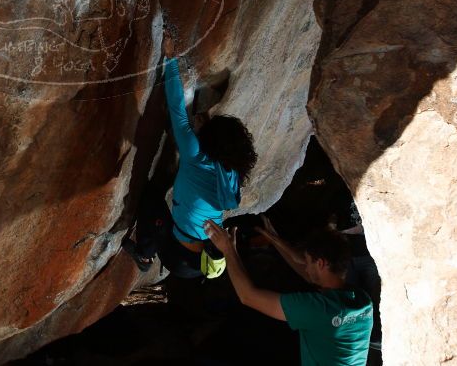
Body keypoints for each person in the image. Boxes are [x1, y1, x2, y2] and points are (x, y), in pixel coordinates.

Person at [123, 29, 257, 279]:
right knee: (167, 184)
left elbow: (177, 110)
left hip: (180, 258)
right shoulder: (232, 172)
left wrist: (170, 58)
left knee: (150, 197)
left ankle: (144, 254)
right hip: (203, 259)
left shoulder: (195, 155)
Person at [204, 216, 374, 365]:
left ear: (321, 263)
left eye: (308, 262)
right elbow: (309, 275)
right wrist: (276, 240)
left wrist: (228, 248)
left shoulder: (318, 309)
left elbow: (248, 296)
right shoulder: (361, 300)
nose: (305, 267)